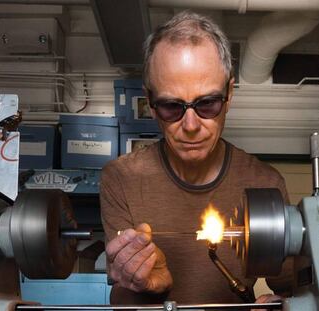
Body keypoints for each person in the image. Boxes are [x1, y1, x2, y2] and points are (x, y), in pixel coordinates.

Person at [100, 11, 289, 305]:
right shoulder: (121, 179)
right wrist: (152, 284)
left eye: (207, 103)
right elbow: (121, 295)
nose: (190, 126)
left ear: (229, 93)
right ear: (149, 102)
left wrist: (282, 301)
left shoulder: (265, 183)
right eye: (171, 106)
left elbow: (292, 286)